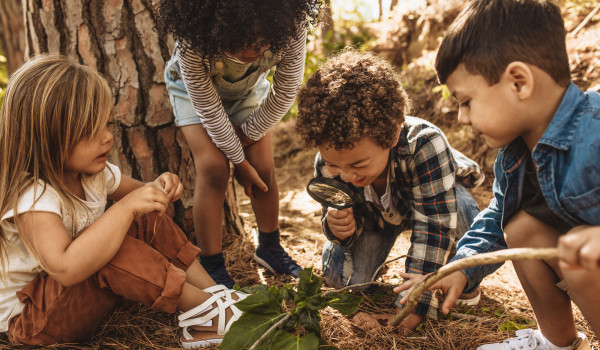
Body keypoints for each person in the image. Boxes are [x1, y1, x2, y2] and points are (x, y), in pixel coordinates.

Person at [0, 55, 246, 348]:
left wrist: (160, 187)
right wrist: (128, 208)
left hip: (69, 302)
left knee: (142, 217)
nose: (107, 139)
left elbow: (143, 196)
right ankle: (206, 313)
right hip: (32, 323)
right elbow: (66, 268)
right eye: (91, 131)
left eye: (107, 125)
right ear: (46, 138)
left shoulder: (92, 174)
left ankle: (215, 294)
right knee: (111, 246)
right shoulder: (33, 199)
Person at [396, 0, 600, 348]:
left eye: (466, 101)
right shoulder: (513, 157)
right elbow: (495, 220)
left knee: (581, 247)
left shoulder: (594, 129)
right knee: (520, 225)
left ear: (518, 82)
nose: (461, 118)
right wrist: (461, 267)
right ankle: (556, 341)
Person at [294, 49, 484, 332]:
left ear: (393, 133)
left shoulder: (425, 144)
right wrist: (338, 229)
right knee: (340, 281)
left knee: (463, 211)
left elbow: (433, 226)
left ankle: (463, 277)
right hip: (375, 219)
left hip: (430, 199)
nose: (346, 175)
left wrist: (414, 304)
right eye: (335, 165)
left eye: (358, 163)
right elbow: (332, 213)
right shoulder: (329, 162)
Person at [155, 0, 321, 288]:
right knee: (214, 168)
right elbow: (208, 109)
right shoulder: (192, 41)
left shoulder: (290, 26)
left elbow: (285, 93)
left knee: (264, 166)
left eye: (258, 43)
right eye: (236, 44)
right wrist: (239, 162)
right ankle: (212, 263)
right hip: (193, 94)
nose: (249, 53)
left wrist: (245, 140)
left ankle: (270, 248)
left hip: (248, 92)